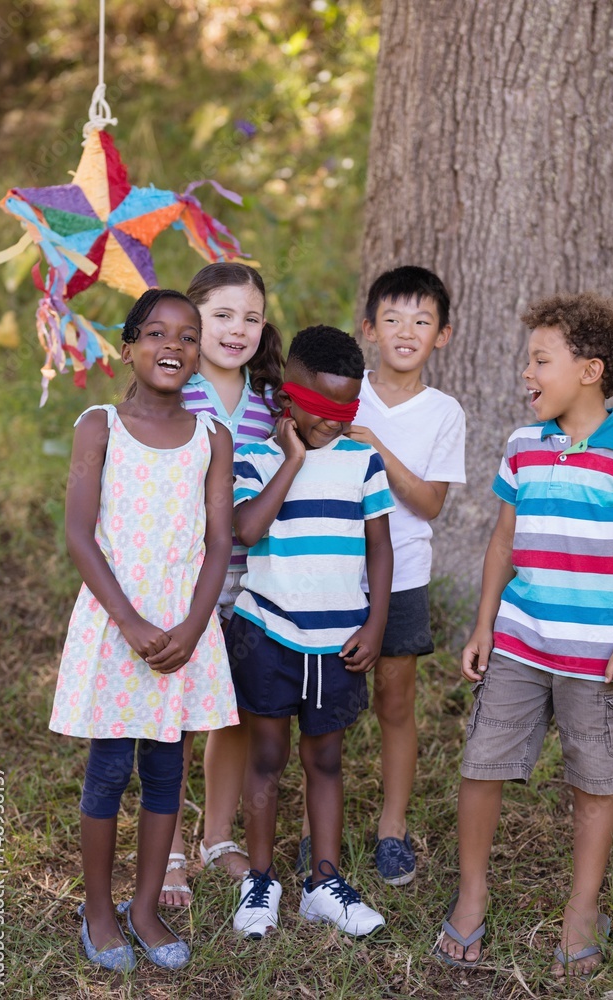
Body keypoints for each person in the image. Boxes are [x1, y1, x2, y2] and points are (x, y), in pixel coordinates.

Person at [435, 292, 613, 977]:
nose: (526, 373)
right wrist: (483, 624)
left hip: (597, 656)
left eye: (539, 360)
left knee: (595, 779)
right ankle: (471, 896)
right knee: (482, 762)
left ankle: (580, 910)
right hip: (521, 642)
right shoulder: (523, 445)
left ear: (589, 370)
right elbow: (501, 541)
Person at [49, 289, 236, 971]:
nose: (172, 347)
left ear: (198, 354)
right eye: (155, 333)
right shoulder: (99, 424)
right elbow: (77, 530)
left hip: (183, 628)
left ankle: (146, 907)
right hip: (116, 622)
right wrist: (128, 620)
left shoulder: (212, 439)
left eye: (187, 337)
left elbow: (220, 541)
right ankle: (99, 911)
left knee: (165, 769)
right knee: (107, 771)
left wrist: (193, 625)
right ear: (127, 348)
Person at [295, 266, 466, 886]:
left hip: (404, 575)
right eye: (392, 319)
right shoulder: (343, 388)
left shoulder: (443, 412)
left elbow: (430, 503)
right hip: (334, 570)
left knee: (395, 701)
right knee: (323, 706)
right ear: (368, 329)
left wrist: (376, 447)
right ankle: (318, 830)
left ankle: (392, 827)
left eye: (422, 321)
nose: (406, 331)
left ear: (442, 336)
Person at [227, 325, 395, 939]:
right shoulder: (258, 458)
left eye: (345, 411)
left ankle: (324, 883)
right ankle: (261, 881)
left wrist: (375, 622)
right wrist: (294, 460)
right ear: (288, 397)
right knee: (266, 759)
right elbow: (246, 531)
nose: (332, 425)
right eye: (320, 411)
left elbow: (380, 546)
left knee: (325, 760)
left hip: (339, 640)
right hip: (267, 633)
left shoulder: (363, 460)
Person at [159, 262, 283, 907]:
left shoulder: (268, 405)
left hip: (253, 580)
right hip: (186, 579)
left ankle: (217, 837)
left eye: (252, 318)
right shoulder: (176, 392)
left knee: (229, 711)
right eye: (224, 315)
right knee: (178, 716)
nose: (238, 329)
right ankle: (170, 847)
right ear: (195, 318)